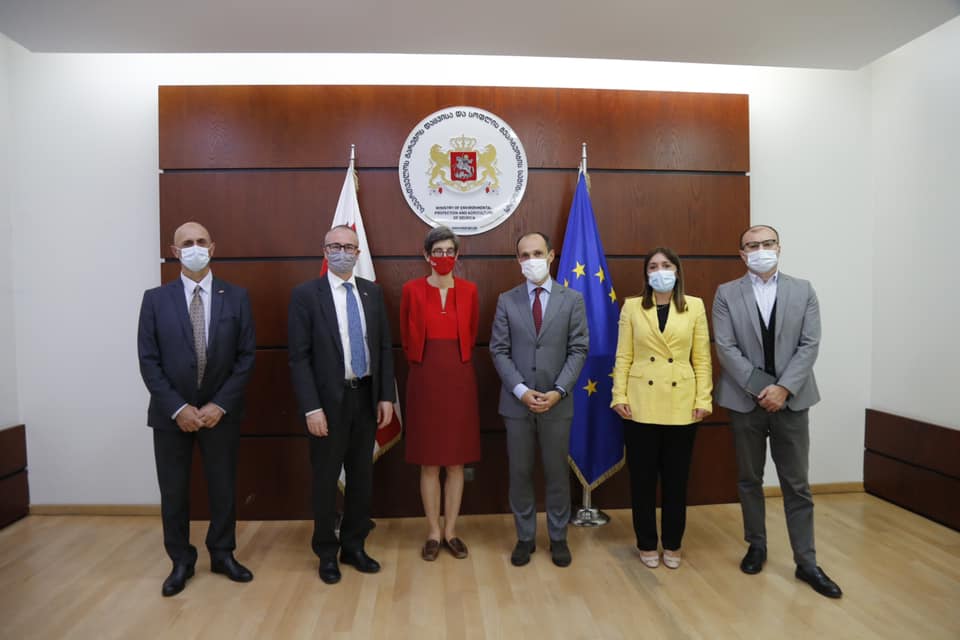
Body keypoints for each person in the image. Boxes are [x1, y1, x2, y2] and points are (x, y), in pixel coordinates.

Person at [713, 224, 842, 598]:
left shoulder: (804, 290)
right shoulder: (726, 294)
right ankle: (757, 545)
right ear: (742, 254)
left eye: (767, 243)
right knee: (749, 479)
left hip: (792, 401)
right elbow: (726, 347)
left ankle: (807, 562)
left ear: (779, 248)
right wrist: (762, 389)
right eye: (752, 245)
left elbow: (809, 344)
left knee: (797, 484)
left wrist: (783, 389)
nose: (760, 250)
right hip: (745, 402)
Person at [137, 221, 256, 597]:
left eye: (201, 241)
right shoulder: (154, 300)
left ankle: (222, 554)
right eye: (186, 242)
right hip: (171, 416)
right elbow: (148, 361)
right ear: (174, 252)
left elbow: (246, 357)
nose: (195, 247)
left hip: (221, 413)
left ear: (212, 247)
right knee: (174, 492)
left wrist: (219, 404)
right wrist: (178, 408)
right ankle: (180, 561)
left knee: (223, 488)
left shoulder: (237, 297)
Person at [288, 224, 395, 585]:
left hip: (365, 398)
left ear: (358, 253)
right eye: (335, 246)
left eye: (349, 247)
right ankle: (326, 552)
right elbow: (299, 358)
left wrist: (386, 395)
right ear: (324, 251)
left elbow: (383, 347)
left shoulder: (371, 292)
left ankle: (354, 546)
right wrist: (311, 408)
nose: (342, 252)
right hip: (326, 404)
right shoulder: (306, 295)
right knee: (325, 480)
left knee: (362, 478)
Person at [490, 231, 589, 568]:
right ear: (517, 260)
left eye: (537, 253)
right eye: (524, 255)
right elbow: (498, 350)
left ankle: (558, 537)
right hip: (516, 404)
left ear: (551, 255)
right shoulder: (507, 300)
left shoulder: (572, 299)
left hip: (557, 402)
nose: (531, 260)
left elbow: (579, 349)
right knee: (519, 473)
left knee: (557, 473)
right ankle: (525, 537)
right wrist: (520, 390)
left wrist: (558, 391)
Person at [611, 248, 712, 570]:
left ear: (677, 270)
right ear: (646, 274)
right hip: (640, 401)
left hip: (682, 402)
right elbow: (623, 356)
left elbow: (702, 358)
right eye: (653, 266)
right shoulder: (632, 306)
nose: (660, 271)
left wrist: (703, 399)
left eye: (666, 265)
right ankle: (645, 542)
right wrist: (618, 395)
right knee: (642, 480)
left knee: (676, 481)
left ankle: (673, 542)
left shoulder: (695, 305)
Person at [400, 226, 481, 561]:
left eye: (450, 251)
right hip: (424, 379)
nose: (444, 257)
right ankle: (433, 532)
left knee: (457, 462)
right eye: (438, 251)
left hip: (460, 379)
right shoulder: (411, 290)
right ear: (426, 255)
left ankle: (451, 531)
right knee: (430, 462)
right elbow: (406, 336)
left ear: (457, 255)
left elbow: (472, 333)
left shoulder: (470, 290)